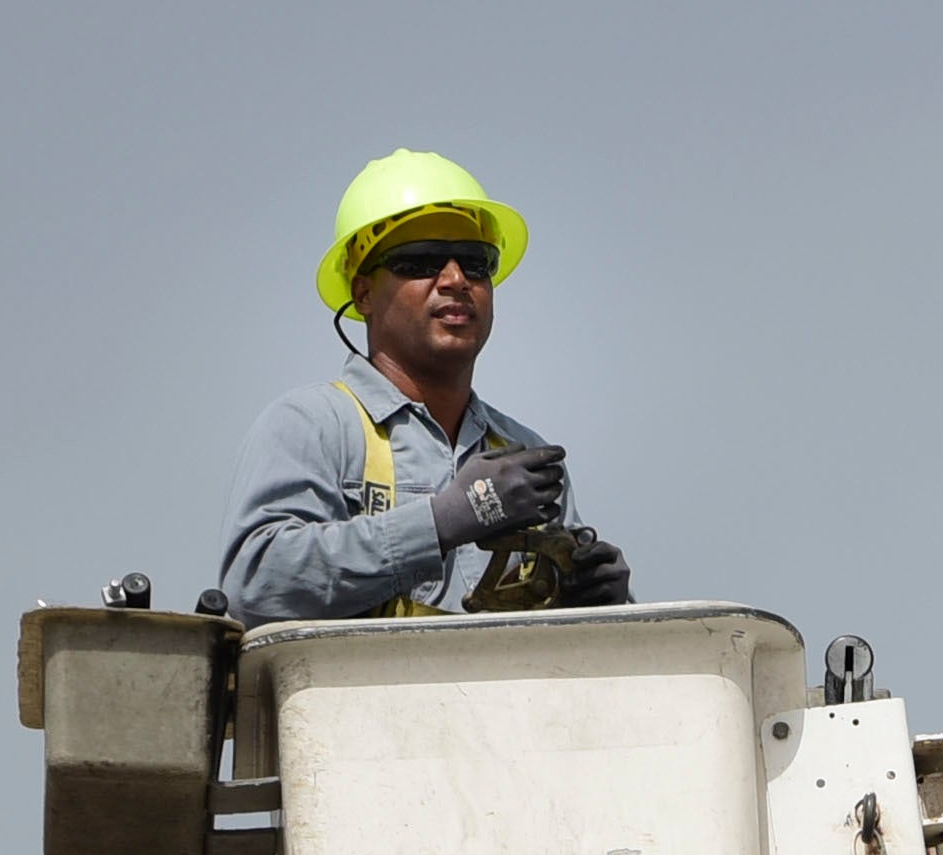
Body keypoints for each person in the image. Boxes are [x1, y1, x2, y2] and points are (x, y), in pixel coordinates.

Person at [220, 150, 635, 625]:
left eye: (477, 263)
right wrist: (441, 522)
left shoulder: (521, 454)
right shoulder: (313, 426)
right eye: (420, 261)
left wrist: (602, 607)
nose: (456, 280)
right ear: (364, 292)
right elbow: (256, 585)